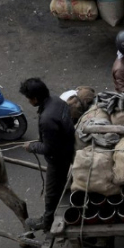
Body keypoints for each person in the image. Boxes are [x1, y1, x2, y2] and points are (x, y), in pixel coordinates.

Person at [19, 79, 76, 233]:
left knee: (51, 193)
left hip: (59, 158)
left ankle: (47, 222)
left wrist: (31, 146)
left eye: (29, 98)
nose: (29, 101)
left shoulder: (47, 119)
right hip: (68, 146)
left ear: (36, 98)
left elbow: (50, 148)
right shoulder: (57, 101)